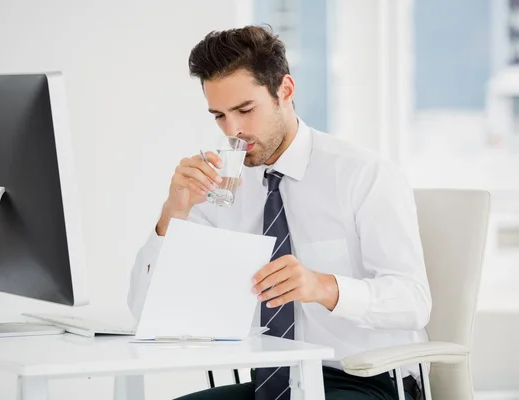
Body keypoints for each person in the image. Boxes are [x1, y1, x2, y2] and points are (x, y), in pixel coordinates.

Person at [127, 25, 431, 400]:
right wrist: (172, 213)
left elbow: (414, 302)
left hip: (365, 380)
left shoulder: (362, 175)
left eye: (244, 110)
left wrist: (324, 287)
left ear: (284, 91)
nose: (233, 130)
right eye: (219, 116)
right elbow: (145, 311)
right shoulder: (222, 188)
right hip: (270, 382)